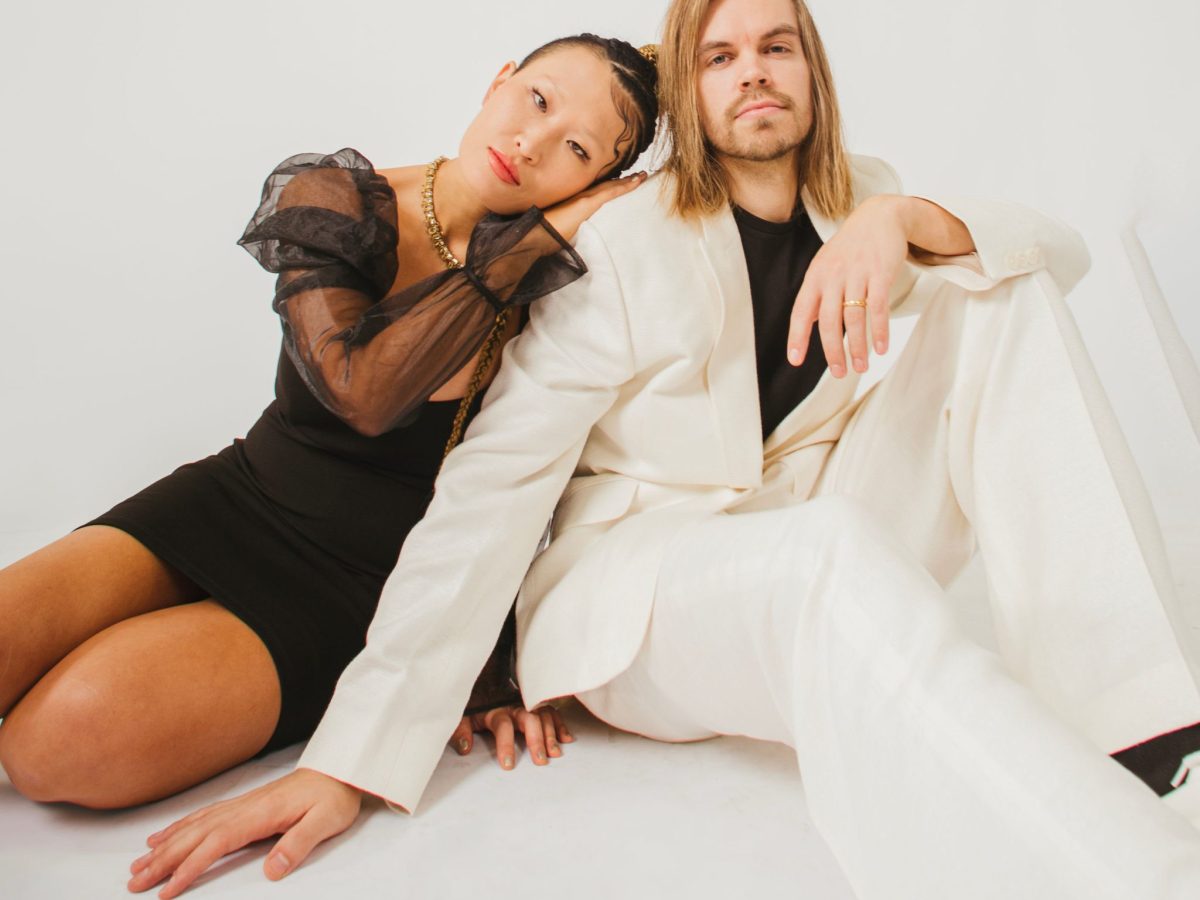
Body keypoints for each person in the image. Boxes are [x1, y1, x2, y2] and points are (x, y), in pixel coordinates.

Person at [128, 0, 1200, 897]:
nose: (753, 72)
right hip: (642, 597)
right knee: (823, 548)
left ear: (814, 72)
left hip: (810, 533)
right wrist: (350, 761)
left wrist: (900, 221)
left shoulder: (865, 195)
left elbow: (1058, 256)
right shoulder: (619, 245)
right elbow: (490, 491)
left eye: (776, 46)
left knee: (999, 289)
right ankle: (1139, 874)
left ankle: (1141, 729)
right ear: (690, 93)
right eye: (719, 57)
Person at [0, 35, 658, 812]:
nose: (531, 142)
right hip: (239, 496)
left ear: (597, 183)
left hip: (360, 588)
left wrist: (478, 662)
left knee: (50, 750)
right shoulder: (338, 198)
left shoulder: (566, 279)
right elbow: (360, 388)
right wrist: (523, 253)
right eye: (537, 100)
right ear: (499, 80)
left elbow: (552, 485)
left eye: (577, 148)